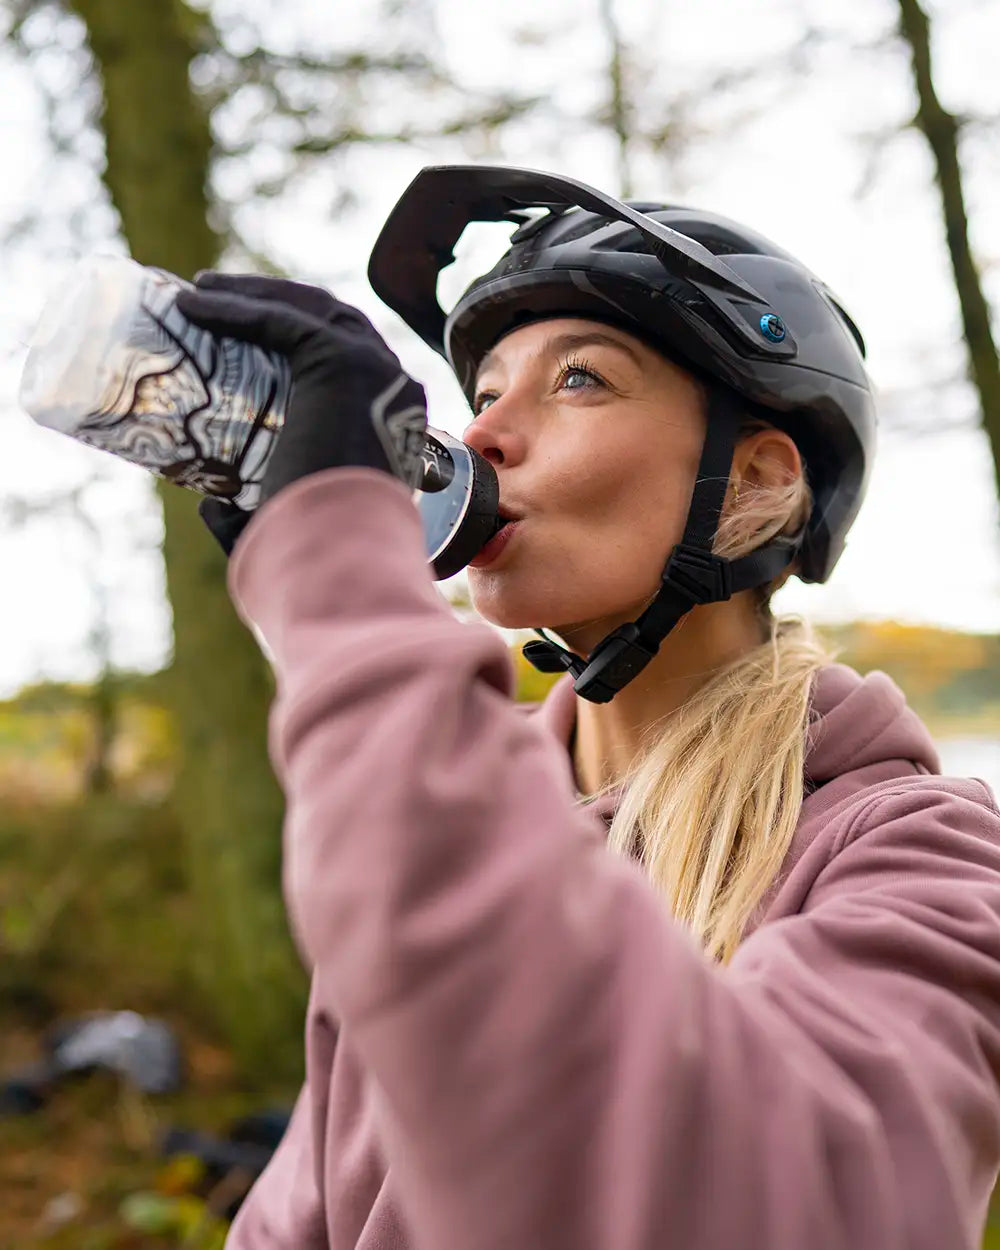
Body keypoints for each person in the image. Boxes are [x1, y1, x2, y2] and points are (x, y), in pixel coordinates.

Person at [176, 165, 1000, 1250]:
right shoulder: (437, 815)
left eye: (578, 381)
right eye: (483, 396)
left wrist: (339, 581)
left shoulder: (928, 861)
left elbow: (779, 1206)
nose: (479, 438)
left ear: (754, 480)